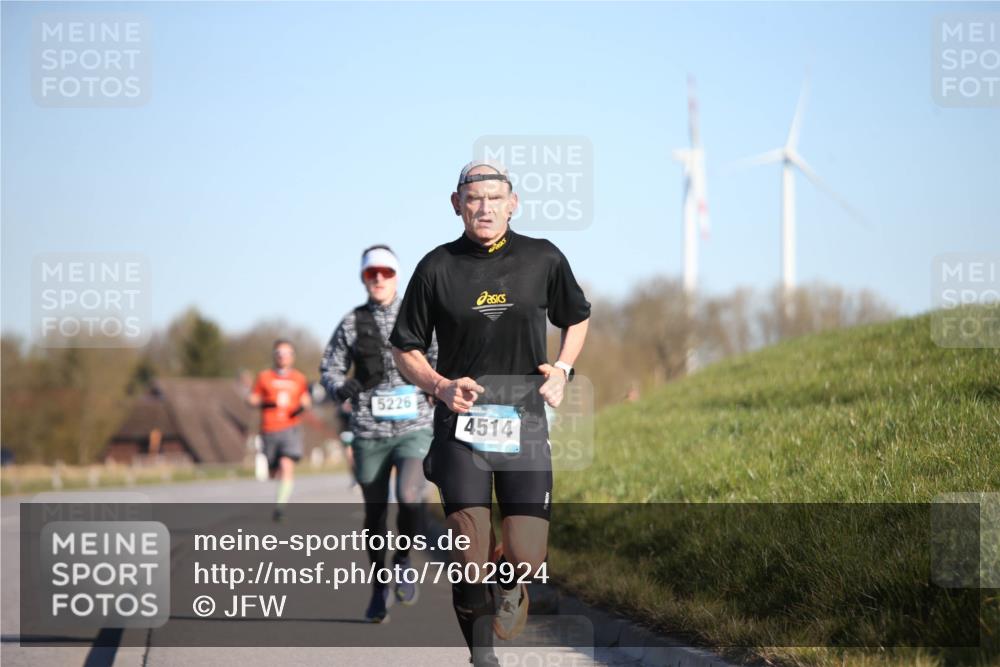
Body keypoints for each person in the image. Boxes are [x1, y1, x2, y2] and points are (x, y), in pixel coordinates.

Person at [390, 160, 590, 665]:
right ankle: (483, 658)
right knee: (466, 549)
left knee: (527, 555)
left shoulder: (543, 258)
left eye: (495, 198)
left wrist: (563, 370)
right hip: (461, 431)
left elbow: (578, 318)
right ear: (456, 204)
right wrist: (438, 384)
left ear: (513, 203)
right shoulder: (436, 267)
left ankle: (512, 583)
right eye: (474, 198)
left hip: (525, 426)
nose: (484, 207)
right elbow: (404, 348)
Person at [320, 245, 438, 623]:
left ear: (396, 276)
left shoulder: (418, 315)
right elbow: (330, 368)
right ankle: (378, 587)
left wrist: (437, 388)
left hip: (414, 426)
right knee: (375, 515)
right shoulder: (352, 322)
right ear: (363, 278)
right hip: (369, 430)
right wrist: (340, 388)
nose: (379, 280)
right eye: (372, 274)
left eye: (386, 273)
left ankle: (404, 560)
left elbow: (440, 359)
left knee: (408, 495)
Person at [247, 339, 312, 522]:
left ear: (293, 357)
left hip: (290, 428)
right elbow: (251, 399)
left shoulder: (299, 378)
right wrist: (263, 402)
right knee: (273, 472)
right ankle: (273, 470)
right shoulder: (264, 377)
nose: (283, 357)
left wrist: (304, 405)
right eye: (279, 353)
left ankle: (280, 508)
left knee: (287, 464)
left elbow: (306, 399)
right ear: (274, 356)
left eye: (287, 353)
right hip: (269, 429)